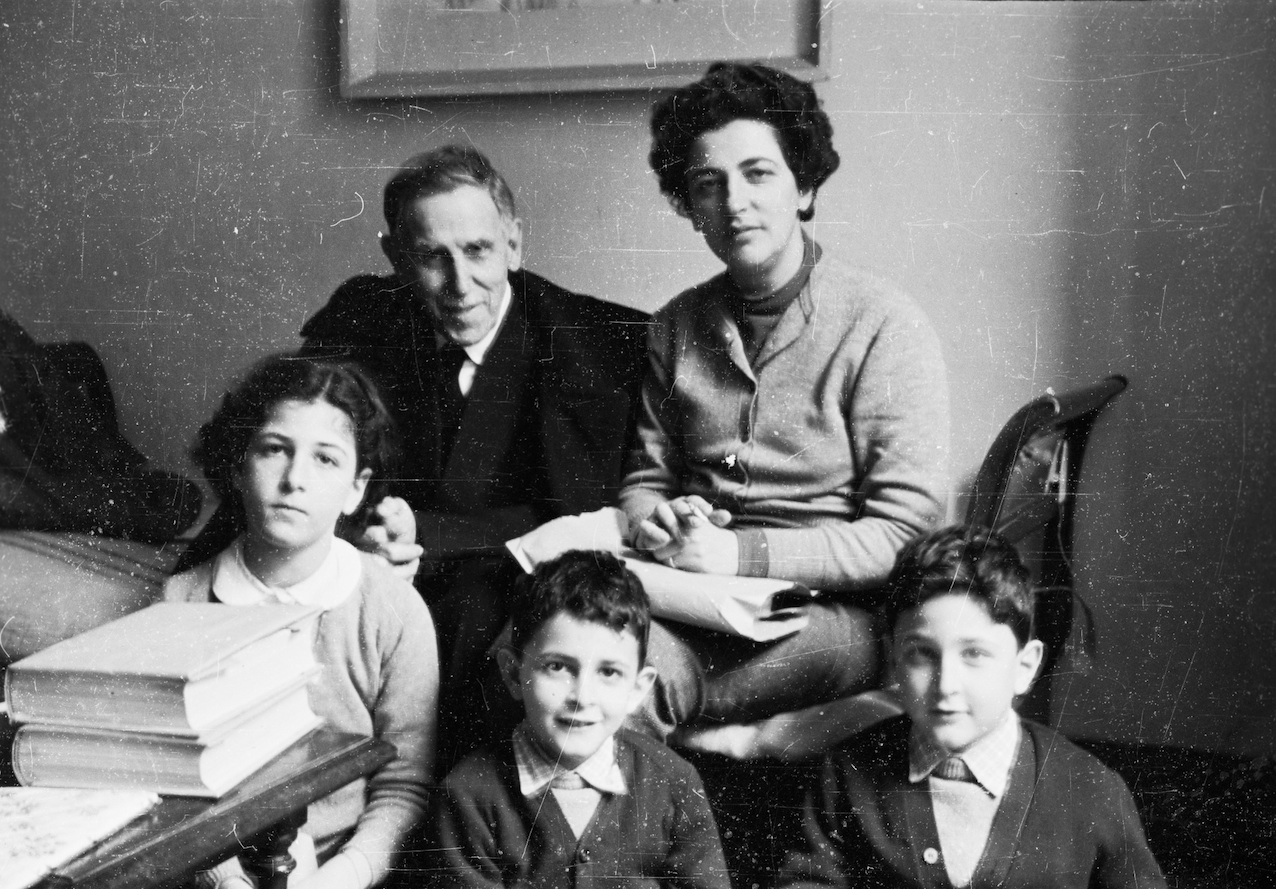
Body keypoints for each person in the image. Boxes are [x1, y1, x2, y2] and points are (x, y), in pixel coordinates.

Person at [619, 62, 950, 731]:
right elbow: (645, 481)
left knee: (634, 678)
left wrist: (743, 555)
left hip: (835, 614)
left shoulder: (883, 324)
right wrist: (656, 520)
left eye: (758, 174)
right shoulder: (676, 324)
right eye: (708, 184)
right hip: (693, 589)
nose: (734, 202)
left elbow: (906, 534)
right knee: (536, 642)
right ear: (690, 209)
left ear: (803, 186)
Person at [298, 145, 650, 748]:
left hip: (510, 580)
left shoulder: (598, 345)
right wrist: (360, 530)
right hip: (377, 566)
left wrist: (425, 534)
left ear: (514, 244)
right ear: (397, 259)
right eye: (432, 257)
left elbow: (579, 513)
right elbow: (293, 446)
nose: (460, 284)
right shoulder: (359, 320)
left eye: (479, 251)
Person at [165, 355, 438, 889]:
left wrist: (340, 878)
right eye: (274, 449)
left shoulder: (392, 610)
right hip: (217, 863)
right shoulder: (183, 603)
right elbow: (176, 781)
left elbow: (404, 784)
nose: (295, 480)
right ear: (238, 464)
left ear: (357, 488)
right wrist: (226, 880)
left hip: (347, 869)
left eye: (325, 459)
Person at [776, 525, 1167, 889]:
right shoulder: (846, 773)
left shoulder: (1090, 789)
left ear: (1024, 667)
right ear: (893, 659)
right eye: (921, 654)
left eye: (975, 654)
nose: (946, 685)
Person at [428, 550, 731, 889]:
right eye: (557, 667)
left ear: (637, 688)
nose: (583, 697)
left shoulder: (674, 780)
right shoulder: (468, 795)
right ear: (513, 674)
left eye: (609, 672)